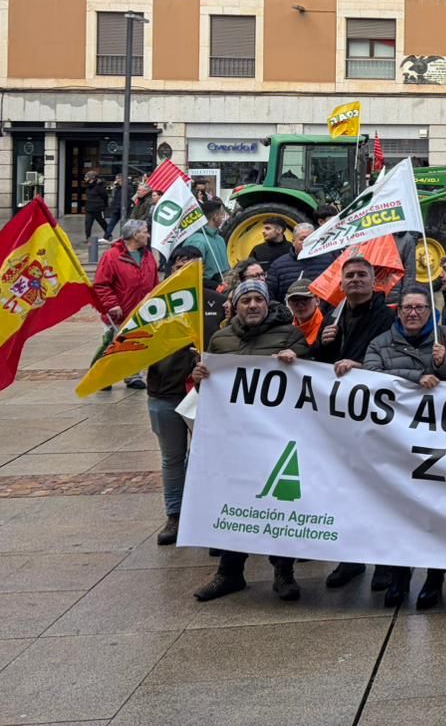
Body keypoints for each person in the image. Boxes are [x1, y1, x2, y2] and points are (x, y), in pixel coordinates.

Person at [189, 279, 310, 601]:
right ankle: (229, 572)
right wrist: (200, 378)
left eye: (258, 299)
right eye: (246, 300)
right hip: (235, 442)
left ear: (267, 304)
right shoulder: (220, 339)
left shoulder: (289, 335)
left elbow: (311, 383)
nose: (253, 305)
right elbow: (211, 392)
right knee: (233, 501)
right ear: (236, 306)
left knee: (278, 504)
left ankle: (283, 572)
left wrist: (296, 360)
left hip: (276, 439)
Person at [364, 285, 446, 610]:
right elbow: (370, 375)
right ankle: (399, 578)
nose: (413, 313)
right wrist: (417, 375)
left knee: (433, 515)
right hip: (397, 445)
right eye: (407, 308)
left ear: (430, 312)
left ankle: (434, 580)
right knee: (398, 514)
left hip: (438, 445)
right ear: (398, 312)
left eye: (420, 308)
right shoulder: (381, 342)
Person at [145, 244, 224, 546]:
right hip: (165, 392)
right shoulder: (155, 304)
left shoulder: (217, 302)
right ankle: (175, 515)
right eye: (179, 261)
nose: (184, 266)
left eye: (191, 261)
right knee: (172, 457)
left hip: (207, 393)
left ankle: (206, 514)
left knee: (207, 457)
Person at [93, 218, 160, 391]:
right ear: (135, 235)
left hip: (140, 311)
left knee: (136, 344)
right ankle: (103, 376)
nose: (148, 235)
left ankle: (133, 375)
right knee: (112, 345)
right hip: (118, 312)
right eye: (145, 231)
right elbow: (101, 284)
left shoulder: (148, 255)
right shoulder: (112, 256)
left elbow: (154, 283)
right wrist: (111, 305)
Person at [193, 199, 232, 287]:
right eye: (222, 214)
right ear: (215, 217)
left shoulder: (220, 239)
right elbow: (193, 274)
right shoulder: (198, 241)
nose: (223, 218)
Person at [82, 167, 111, 241]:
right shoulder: (88, 186)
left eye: (86, 177)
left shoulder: (99, 187)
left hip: (98, 209)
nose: (85, 179)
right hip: (89, 209)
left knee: (102, 223)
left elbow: (105, 196)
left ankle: (108, 235)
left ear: (91, 178)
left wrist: (104, 206)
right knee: (87, 224)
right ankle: (88, 238)